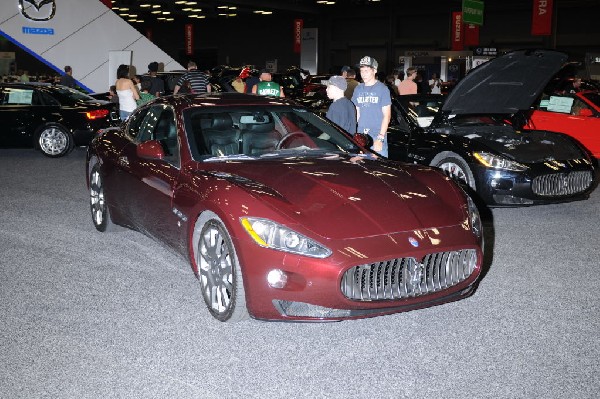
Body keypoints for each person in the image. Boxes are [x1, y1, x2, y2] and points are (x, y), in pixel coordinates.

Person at [351, 56, 391, 157]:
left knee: (379, 170)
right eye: (361, 71)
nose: (363, 74)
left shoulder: (383, 89)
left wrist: (380, 138)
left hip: (377, 136)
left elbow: (387, 116)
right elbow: (357, 113)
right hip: (361, 137)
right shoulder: (358, 89)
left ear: (375, 71)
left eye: (367, 70)